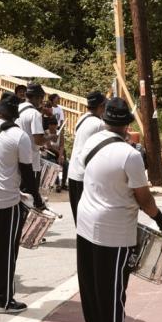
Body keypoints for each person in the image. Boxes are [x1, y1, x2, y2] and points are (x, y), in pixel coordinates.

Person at [76, 97, 162, 322]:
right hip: (113, 230)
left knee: (92, 289)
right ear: (128, 124)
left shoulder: (90, 143)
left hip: (85, 223)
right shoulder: (129, 155)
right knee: (113, 293)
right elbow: (144, 199)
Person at [0, 95, 45, 314]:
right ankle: (3, 300)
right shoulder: (19, 136)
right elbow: (26, 172)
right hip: (6, 200)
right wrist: (37, 199)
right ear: (15, 115)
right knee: (5, 252)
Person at [66, 91, 107, 223]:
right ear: (101, 106)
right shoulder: (99, 124)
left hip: (73, 172)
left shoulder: (82, 118)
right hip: (85, 175)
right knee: (87, 222)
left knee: (79, 219)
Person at [18, 83, 48, 175]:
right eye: (41, 98)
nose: (41, 101)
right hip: (30, 161)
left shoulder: (17, 108)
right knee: (30, 189)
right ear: (36, 97)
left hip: (16, 157)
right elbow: (38, 141)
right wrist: (50, 137)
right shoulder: (35, 114)